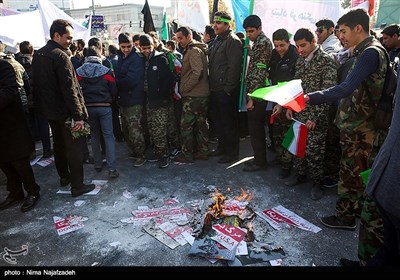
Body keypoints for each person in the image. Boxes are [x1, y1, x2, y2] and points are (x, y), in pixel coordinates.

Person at [306, 9, 389, 229]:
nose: (339, 36)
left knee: (351, 173)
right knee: (359, 171)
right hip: (360, 124)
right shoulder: (365, 51)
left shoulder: (370, 53)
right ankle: (357, 210)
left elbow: (345, 88)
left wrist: (308, 98)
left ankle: (345, 217)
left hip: (361, 128)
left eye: (342, 31)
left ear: (358, 28)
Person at [32, 19, 95, 197]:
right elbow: (70, 89)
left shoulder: (39, 54)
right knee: (73, 149)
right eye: (68, 37)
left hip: (50, 112)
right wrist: (78, 115)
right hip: (65, 112)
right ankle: (77, 185)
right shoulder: (60, 56)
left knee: (59, 145)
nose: (71, 42)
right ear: (56, 35)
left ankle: (65, 177)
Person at [285, 28, 337, 200]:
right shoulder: (300, 61)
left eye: (303, 45)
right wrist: (289, 107)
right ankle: (300, 174)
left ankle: (317, 183)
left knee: (315, 151)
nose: (300, 50)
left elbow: (328, 92)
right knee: (298, 146)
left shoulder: (326, 61)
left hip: (316, 116)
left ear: (314, 41)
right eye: (297, 46)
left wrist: (314, 117)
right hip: (299, 112)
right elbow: (296, 87)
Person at [363, 67, 400, 266]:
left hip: (392, 181)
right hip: (386, 173)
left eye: (344, 31)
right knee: (387, 247)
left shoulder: (372, 54)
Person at [0, 59, 41, 213]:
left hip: (11, 126)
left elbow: (11, 91)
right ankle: (15, 192)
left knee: (20, 162)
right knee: (4, 163)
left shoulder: (4, 66)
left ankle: (32, 191)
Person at [76, 46, 119, 179]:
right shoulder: (106, 71)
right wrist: (111, 99)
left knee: (94, 136)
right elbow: (114, 90)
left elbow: (76, 90)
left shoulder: (79, 72)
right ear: (99, 56)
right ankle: (112, 169)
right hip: (104, 106)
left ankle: (98, 164)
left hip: (88, 108)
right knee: (108, 136)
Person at [208, 11, 243, 164]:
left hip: (225, 90)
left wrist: (228, 89)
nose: (215, 25)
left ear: (227, 24)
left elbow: (234, 67)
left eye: (219, 23)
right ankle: (222, 147)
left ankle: (232, 154)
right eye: (214, 22)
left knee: (229, 123)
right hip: (215, 88)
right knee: (219, 122)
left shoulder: (232, 41)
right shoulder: (217, 39)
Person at [174, 26, 210, 163]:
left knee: (186, 125)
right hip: (200, 94)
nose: (179, 41)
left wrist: (184, 88)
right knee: (201, 123)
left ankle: (187, 154)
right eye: (177, 38)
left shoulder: (193, 50)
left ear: (189, 37)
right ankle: (203, 151)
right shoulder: (194, 49)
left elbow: (198, 73)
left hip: (194, 95)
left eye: (180, 38)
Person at [241, 15, 273, 172]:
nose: (249, 35)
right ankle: (258, 157)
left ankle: (260, 162)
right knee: (255, 128)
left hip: (258, 94)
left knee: (256, 128)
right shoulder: (259, 43)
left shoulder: (262, 43)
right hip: (257, 91)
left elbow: (259, 72)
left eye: (251, 31)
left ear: (260, 28)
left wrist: (252, 98)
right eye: (247, 32)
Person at [138, 34, 174, 168]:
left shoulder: (161, 59)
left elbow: (168, 81)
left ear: (153, 46)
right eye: (143, 48)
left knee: (159, 128)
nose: (146, 51)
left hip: (159, 100)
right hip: (147, 99)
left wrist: (163, 97)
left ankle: (163, 155)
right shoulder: (139, 60)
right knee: (151, 127)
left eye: (148, 47)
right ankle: (157, 151)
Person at [268, 28, 299, 179]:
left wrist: (286, 104)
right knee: (277, 132)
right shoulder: (274, 55)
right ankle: (280, 158)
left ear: (289, 42)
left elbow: (295, 83)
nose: (279, 49)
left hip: (290, 100)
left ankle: (287, 166)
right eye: (276, 45)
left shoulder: (296, 56)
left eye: (282, 45)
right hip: (277, 98)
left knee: (288, 134)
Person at [115, 32, 146, 167]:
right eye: (123, 47)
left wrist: (115, 82)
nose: (126, 49)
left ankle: (141, 155)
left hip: (134, 99)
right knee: (127, 129)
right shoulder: (121, 57)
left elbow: (131, 80)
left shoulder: (136, 58)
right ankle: (133, 151)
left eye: (128, 46)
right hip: (124, 99)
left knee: (135, 130)